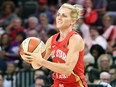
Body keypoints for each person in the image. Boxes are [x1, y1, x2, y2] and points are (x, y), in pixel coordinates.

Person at [22, 3, 88, 87]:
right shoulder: (52, 39)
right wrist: (31, 56)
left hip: (74, 84)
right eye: (58, 15)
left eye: (64, 15)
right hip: (58, 83)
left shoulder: (75, 39)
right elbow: (36, 66)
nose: (59, 18)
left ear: (73, 21)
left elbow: (67, 69)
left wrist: (41, 61)